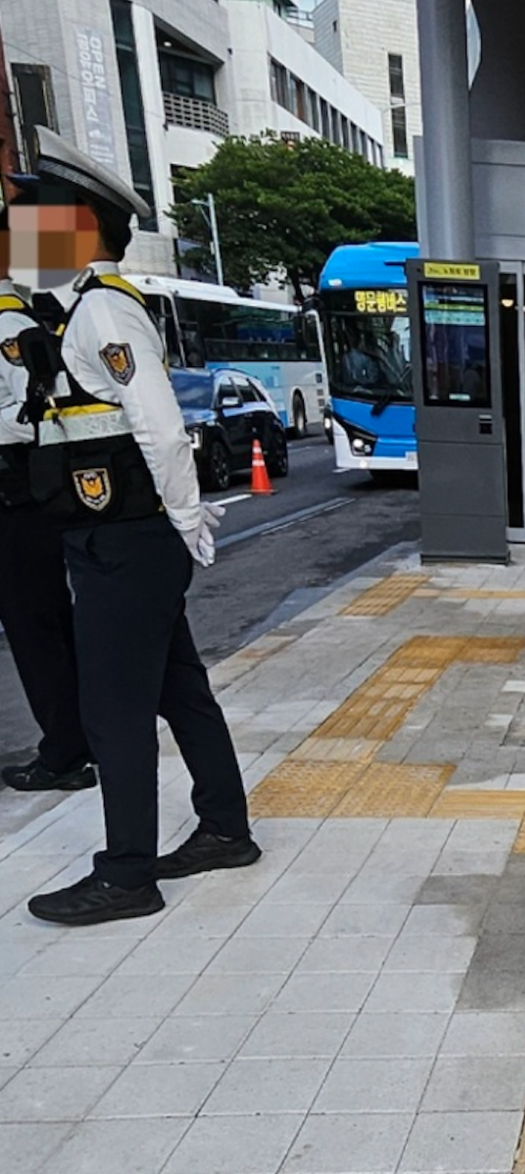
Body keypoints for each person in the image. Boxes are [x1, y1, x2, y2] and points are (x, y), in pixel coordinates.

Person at [22, 127, 260, 927]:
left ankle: (126, 874)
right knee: (179, 692)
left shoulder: (102, 317)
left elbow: (160, 428)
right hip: (117, 540)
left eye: (31, 226)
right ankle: (225, 828)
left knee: (112, 711)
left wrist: (188, 519)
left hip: (127, 541)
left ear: (78, 231)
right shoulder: (70, 316)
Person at [0, 170, 96, 793]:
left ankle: (65, 752)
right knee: (48, 622)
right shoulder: (23, 316)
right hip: (28, 490)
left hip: (15, 491)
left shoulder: (9, 325)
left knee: (35, 626)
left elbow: (19, 419)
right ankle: (73, 740)